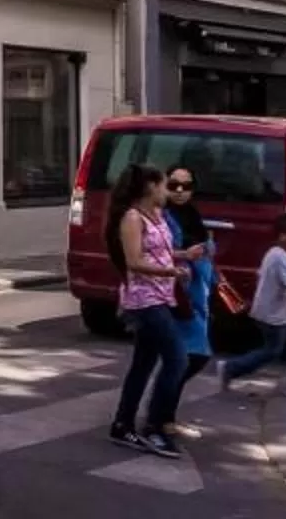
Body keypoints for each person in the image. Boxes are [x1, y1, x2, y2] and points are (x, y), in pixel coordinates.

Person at [106, 165, 188, 455]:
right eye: (165, 185)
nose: (168, 192)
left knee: (143, 363)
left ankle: (123, 424)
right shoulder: (132, 217)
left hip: (161, 295)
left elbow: (159, 251)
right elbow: (134, 261)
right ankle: (155, 426)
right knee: (177, 359)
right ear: (150, 187)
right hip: (144, 299)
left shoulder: (157, 215)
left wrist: (184, 256)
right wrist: (171, 272)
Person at [215, 212, 286, 398]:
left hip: (283, 313)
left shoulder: (277, 254)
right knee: (273, 351)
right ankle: (231, 368)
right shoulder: (279, 257)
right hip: (273, 315)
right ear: (282, 236)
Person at [157, 165, 217, 431]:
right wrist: (185, 255)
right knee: (190, 357)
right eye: (174, 185)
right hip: (179, 293)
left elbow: (204, 248)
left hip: (197, 293)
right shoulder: (162, 216)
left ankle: (165, 416)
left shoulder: (192, 214)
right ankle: (160, 417)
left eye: (186, 186)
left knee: (186, 358)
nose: (180, 191)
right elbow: (153, 251)